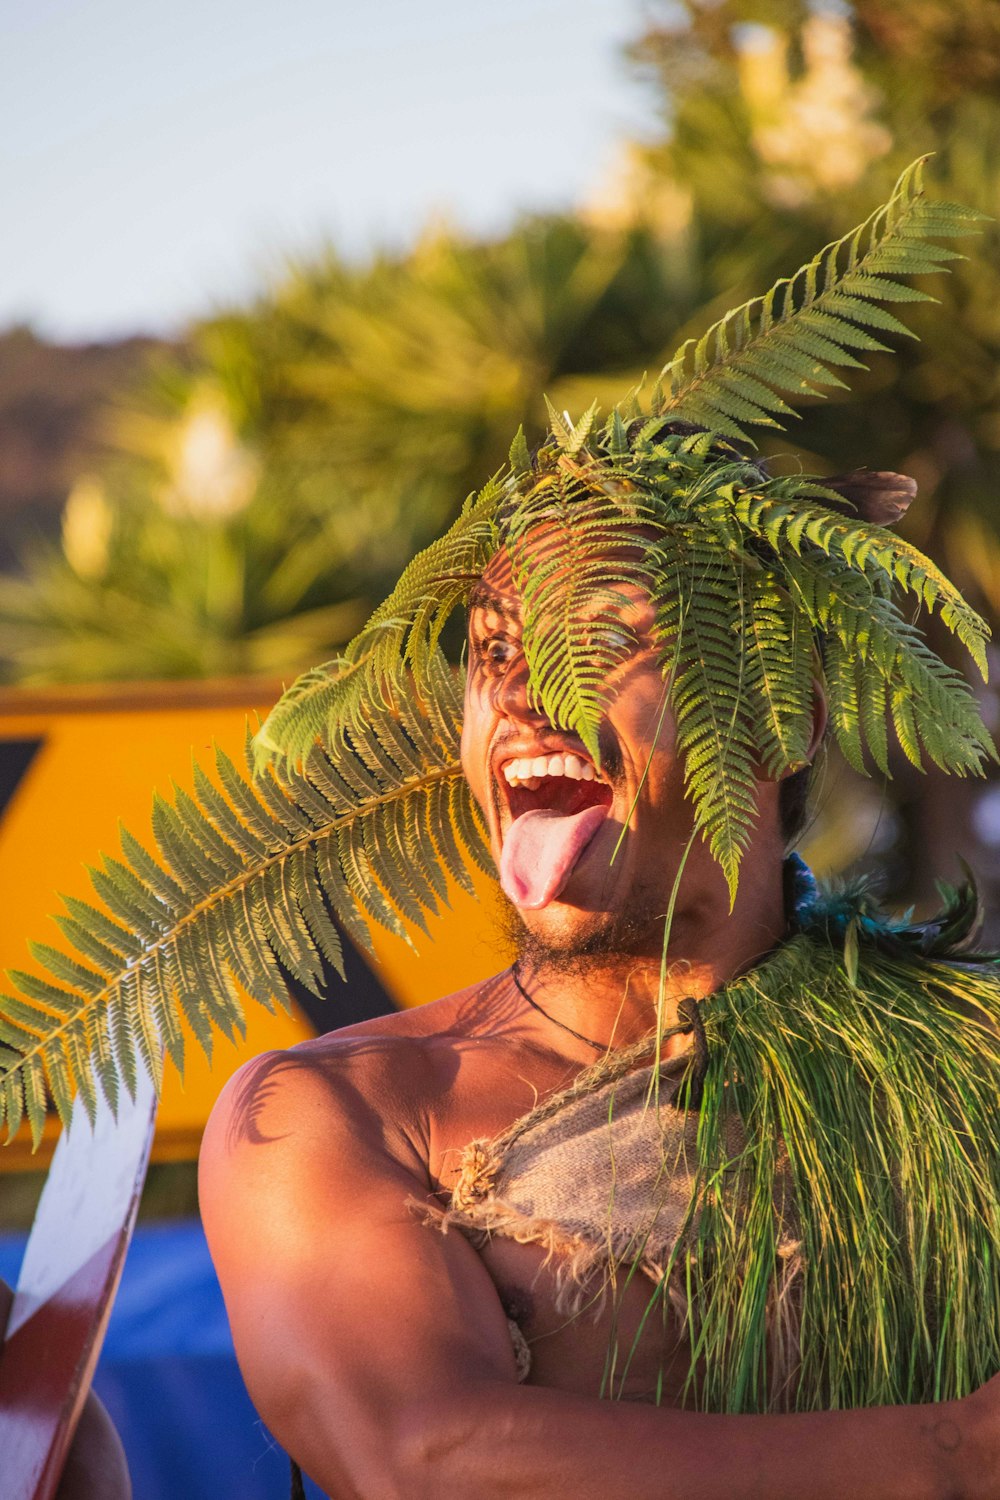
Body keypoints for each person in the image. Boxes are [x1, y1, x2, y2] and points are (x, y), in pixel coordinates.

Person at [200, 514, 1000, 1497]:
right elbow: (423, 1459)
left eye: (605, 644)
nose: (525, 694)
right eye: (493, 651)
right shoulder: (340, 1111)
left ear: (779, 718)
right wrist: (951, 1455)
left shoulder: (968, 1061)